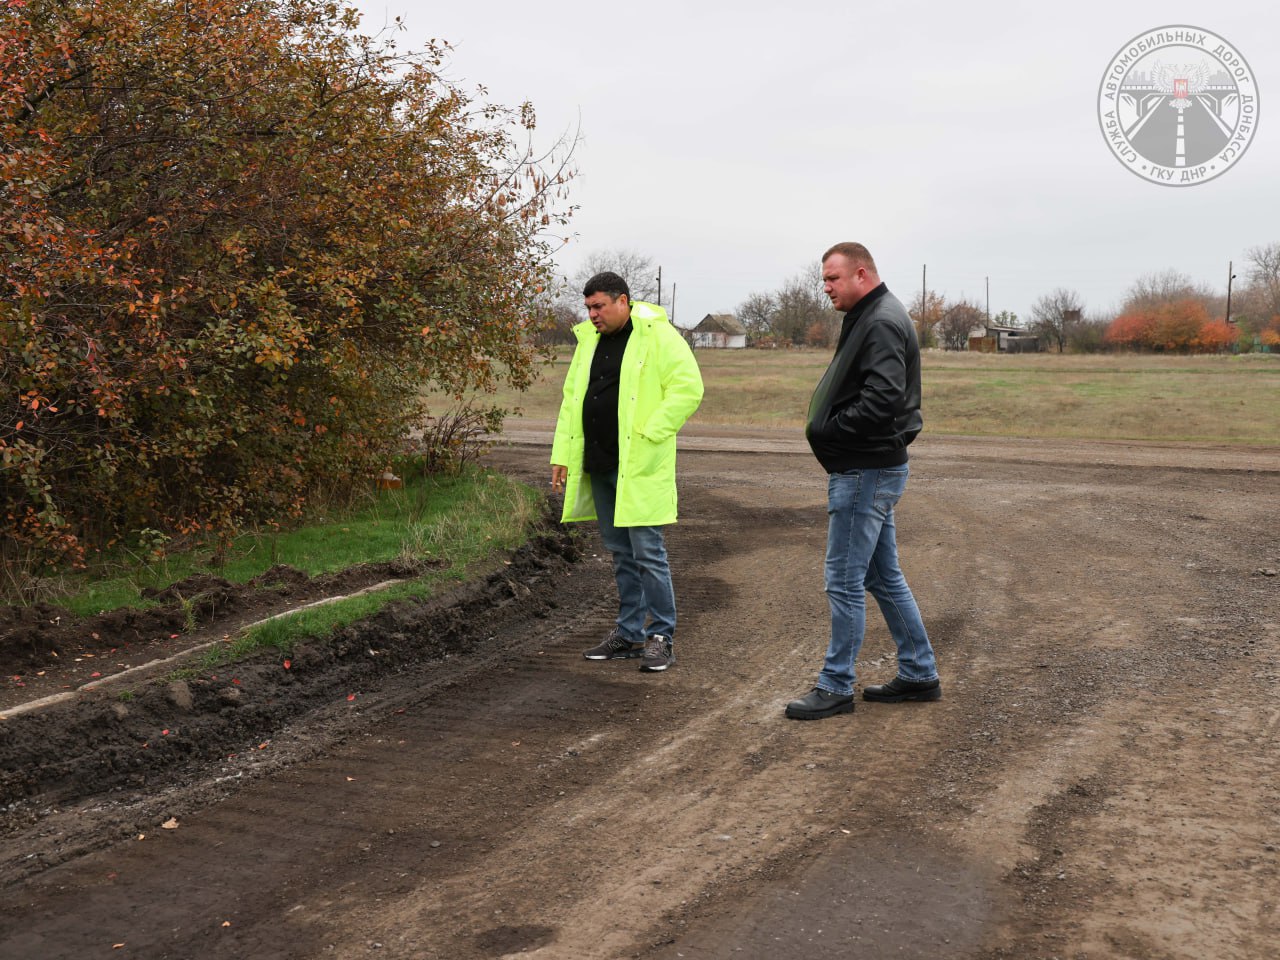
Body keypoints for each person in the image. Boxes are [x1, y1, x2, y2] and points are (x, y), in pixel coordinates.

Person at [785, 242, 941, 720]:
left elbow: (883, 400)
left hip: (865, 469)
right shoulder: (873, 315)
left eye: (833, 279)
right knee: (880, 575)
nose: (826, 288)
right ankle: (919, 674)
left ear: (861, 273)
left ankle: (835, 686)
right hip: (871, 466)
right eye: (824, 280)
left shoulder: (880, 321)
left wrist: (831, 431)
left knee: (844, 580)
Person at [551, 271, 704, 672]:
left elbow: (688, 387)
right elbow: (572, 399)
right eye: (588, 308)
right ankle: (629, 633)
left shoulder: (657, 334)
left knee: (648, 552)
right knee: (620, 554)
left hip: (638, 464)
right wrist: (562, 454)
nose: (592, 314)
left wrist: (650, 431)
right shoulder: (589, 341)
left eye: (599, 306)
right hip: (598, 463)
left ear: (623, 301)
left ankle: (661, 636)